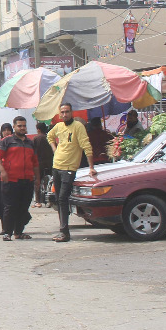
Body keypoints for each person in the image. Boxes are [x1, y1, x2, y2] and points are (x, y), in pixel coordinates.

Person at [48, 102, 96, 242]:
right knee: (58, 199)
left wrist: (91, 167)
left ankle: (64, 232)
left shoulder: (78, 127)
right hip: (56, 166)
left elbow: (86, 146)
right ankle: (63, 230)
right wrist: (55, 149)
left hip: (69, 168)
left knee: (63, 198)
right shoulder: (58, 126)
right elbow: (49, 137)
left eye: (67, 112)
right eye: (62, 112)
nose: (64, 115)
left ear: (72, 112)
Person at [0, 116, 39, 240]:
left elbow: (35, 162)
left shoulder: (30, 143)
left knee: (23, 207)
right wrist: (3, 172)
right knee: (10, 207)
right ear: (14, 127)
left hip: (27, 180)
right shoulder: (6, 141)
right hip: (10, 180)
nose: (22, 128)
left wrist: (38, 179)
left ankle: (18, 232)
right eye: (19, 126)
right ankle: (7, 232)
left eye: (24, 126)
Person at [33, 121, 54, 209]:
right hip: (50, 163)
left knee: (37, 181)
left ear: (38, 129)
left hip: (39, 164)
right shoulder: (49, 137)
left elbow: (33, 151)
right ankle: (51, 199)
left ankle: (38, 201)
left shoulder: (36, 138)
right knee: (51, 182)